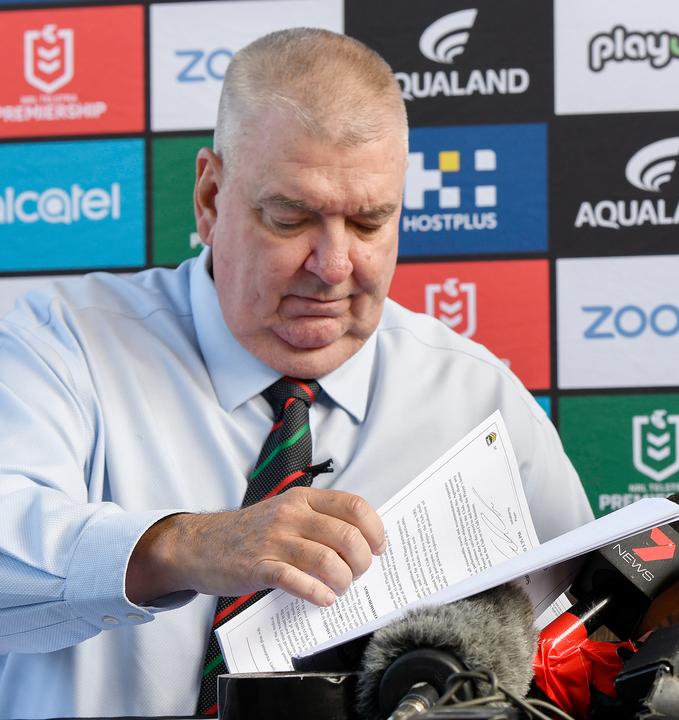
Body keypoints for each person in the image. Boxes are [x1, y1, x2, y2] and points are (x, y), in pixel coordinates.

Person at [0, 28, 592, 718]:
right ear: (211, 197)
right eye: (292, 217)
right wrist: (185, 545)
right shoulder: (62, 341)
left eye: (370, 222)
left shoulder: (478, 399)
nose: (335, 264)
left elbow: (579, 648)